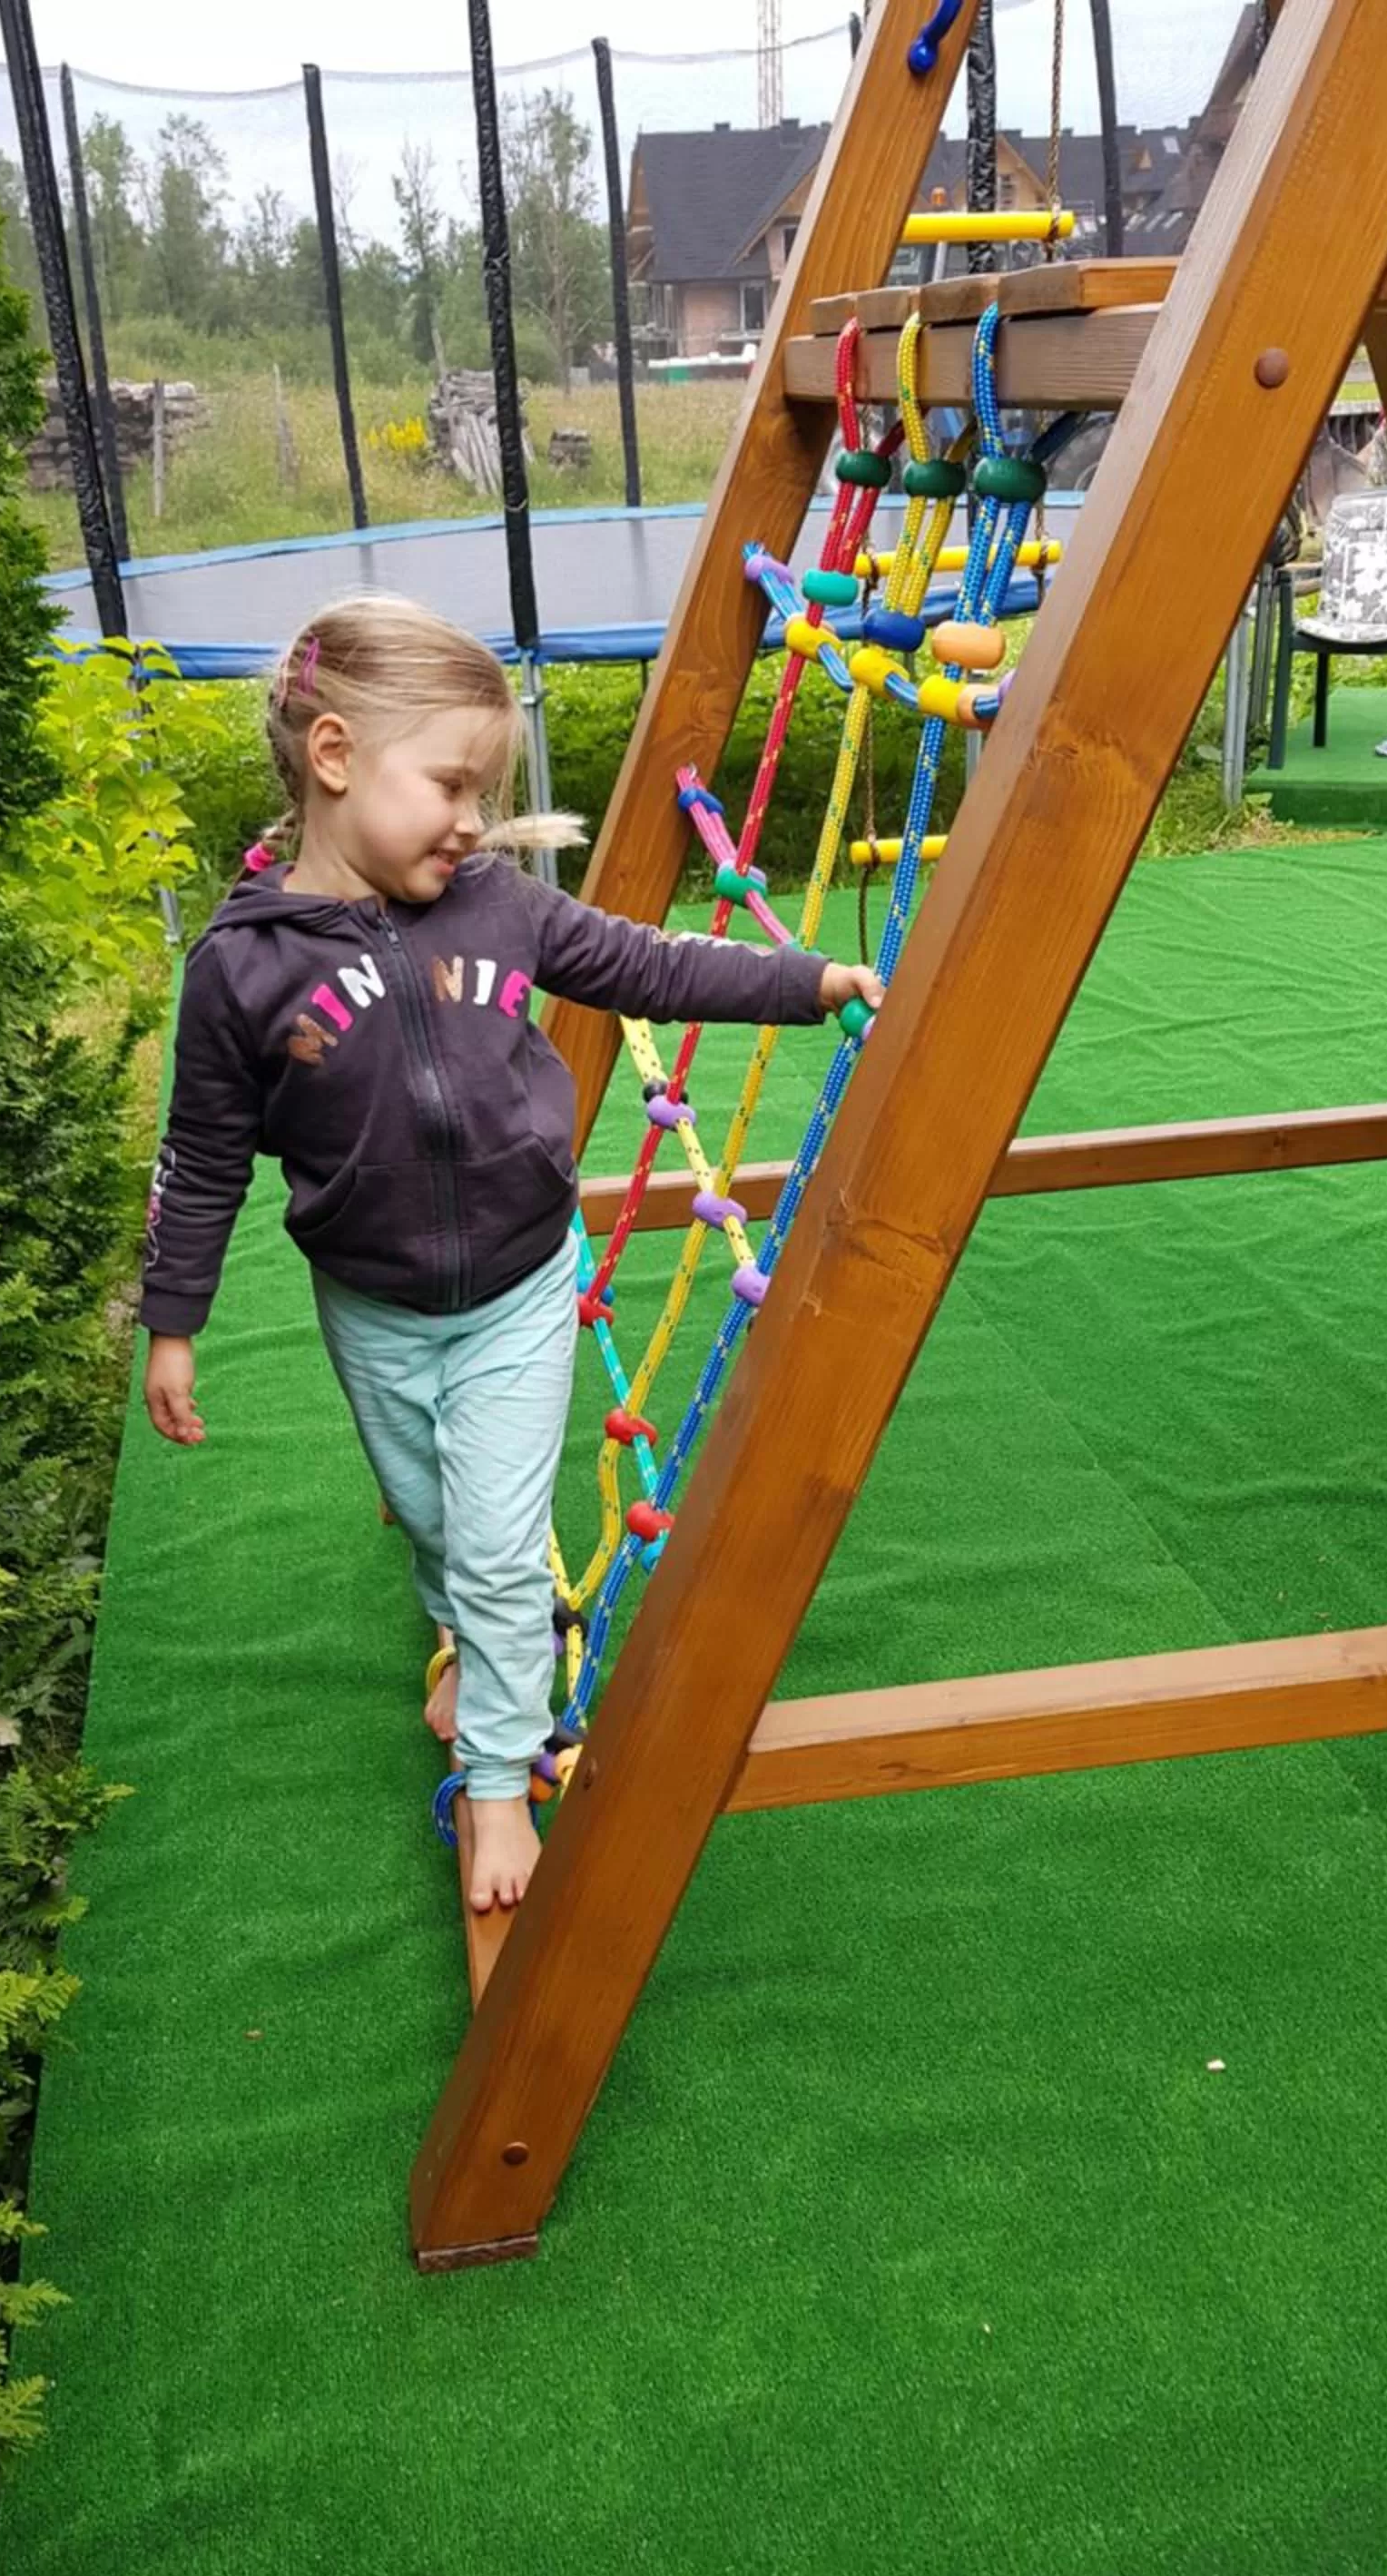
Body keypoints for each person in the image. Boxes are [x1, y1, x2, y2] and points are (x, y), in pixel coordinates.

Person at [139, 595, 883, 1912]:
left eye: (483, 791)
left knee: (494, 1545)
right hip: (369, 1303)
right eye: (449, 785)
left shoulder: (497, 907)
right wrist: (175, 1319)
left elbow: (646, 964)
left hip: (524, 1282)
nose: (474, 821)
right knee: (436, 1522)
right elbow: (201, 1154)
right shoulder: (239, 973)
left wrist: (803, 979)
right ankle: (470, 1644)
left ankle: (499, 1781)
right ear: (331, 759)